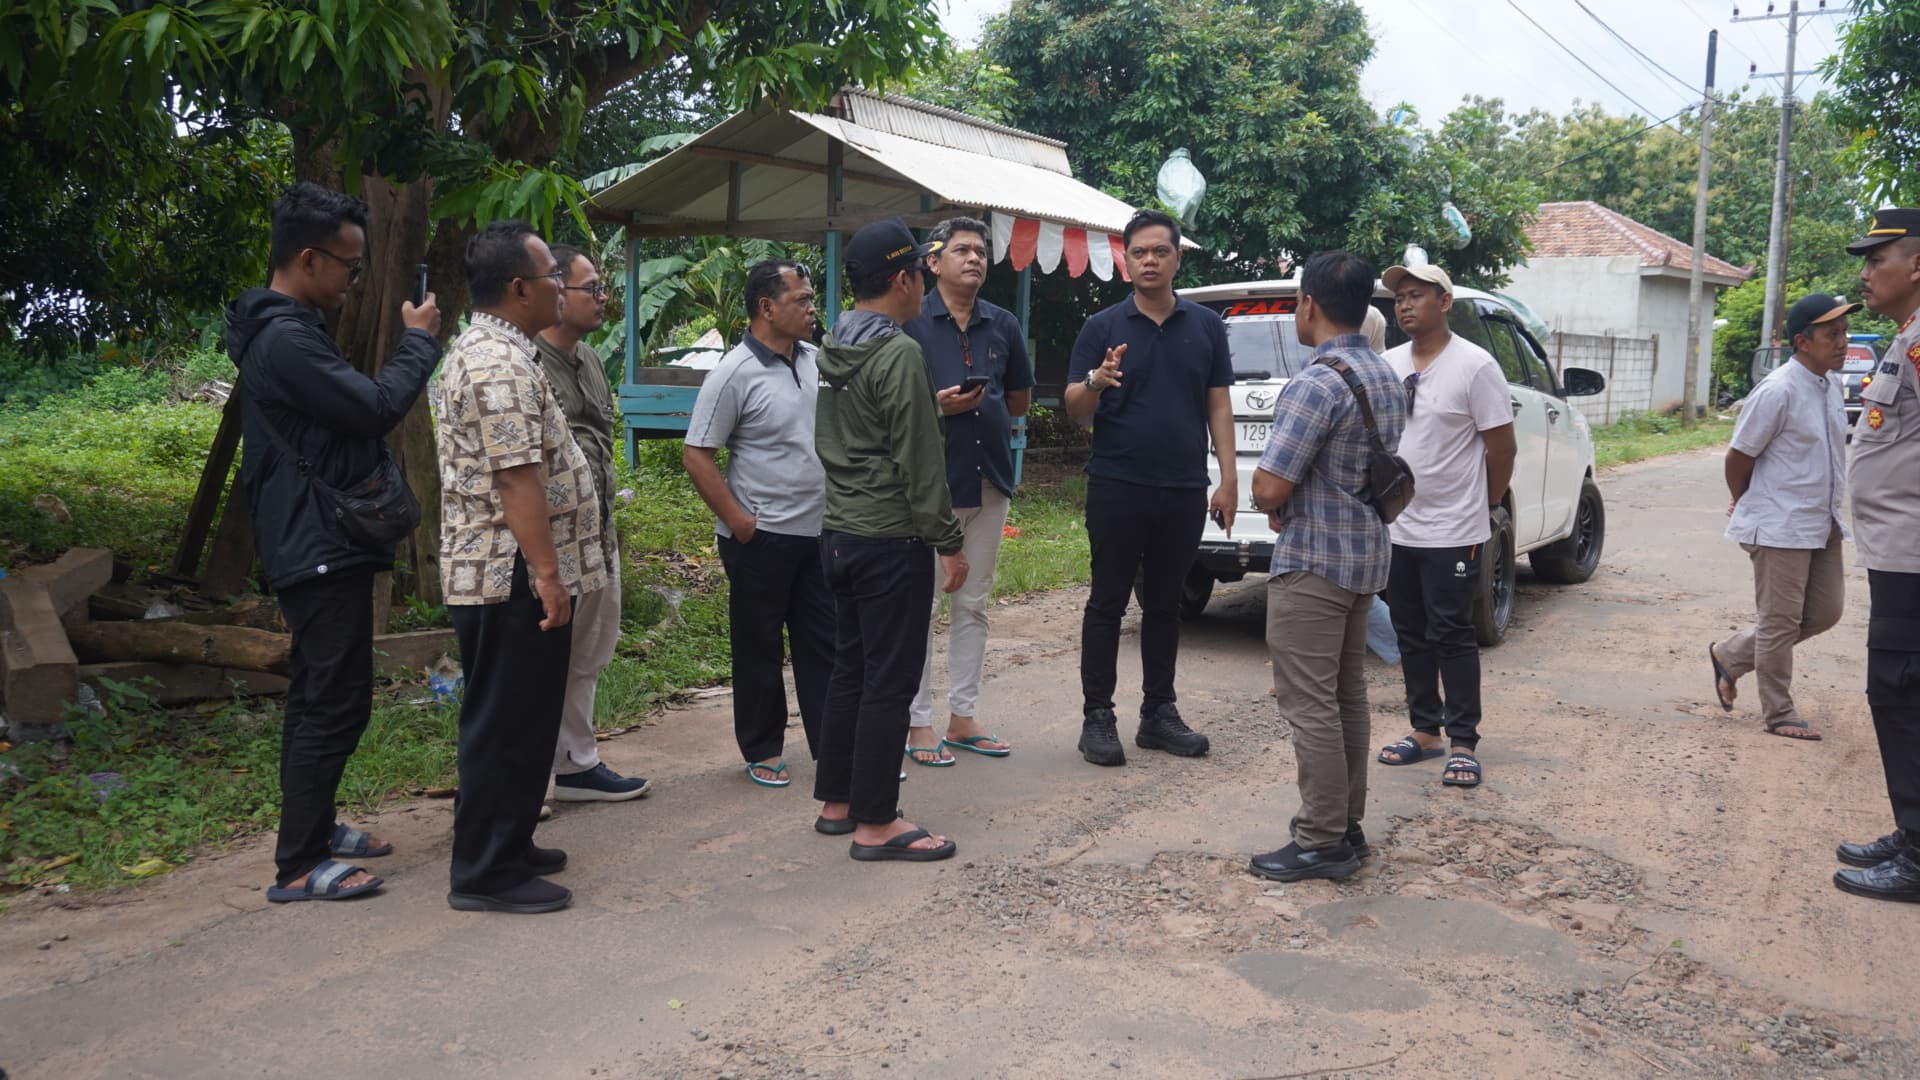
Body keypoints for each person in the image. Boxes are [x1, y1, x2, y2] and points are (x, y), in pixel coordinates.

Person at [227, 182, 441, 903]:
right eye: (350, 267)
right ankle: (298, 864)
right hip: (314, 542)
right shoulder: (286, 337)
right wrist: (419, 343)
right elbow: (377, 407)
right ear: (310, 259)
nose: (356, 281)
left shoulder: (291, 327)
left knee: (337, 694)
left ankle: (317, 827)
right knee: (328, 699)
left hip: (321, 535)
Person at [435, 221, 607, 914]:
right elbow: (515, 480)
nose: (561, 290)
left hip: (516, 571)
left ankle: (511, 843)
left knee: (526, 715)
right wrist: (546, 573)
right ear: (517, 289)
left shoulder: (509, 351)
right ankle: (485, 872)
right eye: (550, 279)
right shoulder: (496, 364)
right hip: (508, 573)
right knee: (504, 722)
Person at [1246, 251, 1408, 883]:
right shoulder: (1384, 374)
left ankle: (1320, 839)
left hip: (1314, 562)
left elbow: (1269, 487)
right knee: (1346, 696)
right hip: (1364, 555)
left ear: (1307, 304)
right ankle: (1347, 826)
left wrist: (1274, 490)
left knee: (1309, 702)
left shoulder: (1316, 382)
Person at [812, 218, 967, 862]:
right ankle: (878, 822)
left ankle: (840, 800)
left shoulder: (834, 345)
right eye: (919, 278)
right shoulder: (898, 351)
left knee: (851, 668)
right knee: (889, 681)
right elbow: (919, 459)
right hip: (888, 537)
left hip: (840, 533)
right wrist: (948, 540)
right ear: (904, 280)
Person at [1063, 208, 1236, 767]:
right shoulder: (1103, 328)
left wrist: (1228, 478)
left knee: (1166, 604)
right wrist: (1096, 381)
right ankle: (1098, 717)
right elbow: (1075, 411)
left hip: (1184, 487)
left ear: (1177, 257)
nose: (1149, 261)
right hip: (1117, 483)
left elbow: (1218, 403)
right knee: (1107, 602)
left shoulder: (1205, 326)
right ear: (1126, 260)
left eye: (1160, 251)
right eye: (1139, 253)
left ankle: (1158, 713)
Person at [684, 260, 835, 788]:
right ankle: (764, 747)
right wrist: (740, 523)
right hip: (760, 539)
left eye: (812, 298)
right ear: (767, 308)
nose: (812, 309)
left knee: (825, 644)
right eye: (802, 299)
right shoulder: (733, 373)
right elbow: (697, 453)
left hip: (819, 533)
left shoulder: (819, 360)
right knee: (759, 646)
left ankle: (834, 749)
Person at [1374, 263, 1516, 789]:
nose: (1405, 305)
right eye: (1399, 298)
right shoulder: (1387, 364)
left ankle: (1463, 740)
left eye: (1416, 295)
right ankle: (1425, 731)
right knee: (1410, 631)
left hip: (1454, 527)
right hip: (1398, 527)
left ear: (1445, 301)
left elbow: (1502, 447)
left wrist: (1489, 505)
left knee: (1452, 632)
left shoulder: (1475, 366)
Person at [900, 216, 1034, 766]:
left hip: (989, 479)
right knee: (920, 606)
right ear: (933, 262)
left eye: (980, 251)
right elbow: (890, 407)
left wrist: (985, 407)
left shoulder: (1001, 323)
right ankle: (916, 723)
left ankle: (963, 715)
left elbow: (1020, 399)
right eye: (961, 250)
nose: (975, 258)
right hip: (928, 486)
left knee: (973, 604)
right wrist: (937, 406)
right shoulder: (909, 324)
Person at [1707, 292, 1854, 741]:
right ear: (1802, 342)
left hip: (1820, 521)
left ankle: (1730, 655)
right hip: (1779, 525)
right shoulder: (1778, 390)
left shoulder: (1829, 386)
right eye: (1832, 334)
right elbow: (1739, 456)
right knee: (1779, 622)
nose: (1843, 342)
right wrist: (1745, 498)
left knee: (1825, 613)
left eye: (1843, 332)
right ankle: (1779, 712)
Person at [535, 246, 650, 801]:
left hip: (597, 530)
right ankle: (529, 777)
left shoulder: (592, 361)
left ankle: (576, 762)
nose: (603, 298)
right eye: (593, 289)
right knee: (543, 658)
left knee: (591, 650)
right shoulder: (527, 362)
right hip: (548, 539)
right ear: (556, 291)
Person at [1834, 208, 1920, 903]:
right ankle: (1911, 829)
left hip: (1915, 562)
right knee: (1898, 693)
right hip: (1899, 557)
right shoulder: (1907, 339)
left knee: (1899, 694)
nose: (1865, 273)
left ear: (1916, 266)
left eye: (1877, 261)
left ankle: (1918, 854)